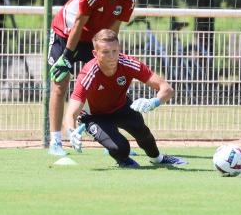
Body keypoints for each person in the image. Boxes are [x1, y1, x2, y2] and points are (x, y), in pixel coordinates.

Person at [48, 0, 137, 156]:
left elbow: (113, 28)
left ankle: (111, 141)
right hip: (66, 34)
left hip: (95, 38)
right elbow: (79, 24)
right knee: (60, 82)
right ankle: (55, 142)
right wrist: (67, 57)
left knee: (106, 83)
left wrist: (110, 52)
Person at [63, 29, 188, 167]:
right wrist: (71, 131)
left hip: (120, 107)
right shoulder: (88, 74)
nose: (112, 56)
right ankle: (123, 160)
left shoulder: (128, 63)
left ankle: (158, 159)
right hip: (94, 117)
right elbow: (71, 113)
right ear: (95, 53)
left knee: (143, 133)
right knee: (121, 148)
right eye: (105, 52)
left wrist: (154, 102)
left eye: (115, 51)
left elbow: (167, 89)